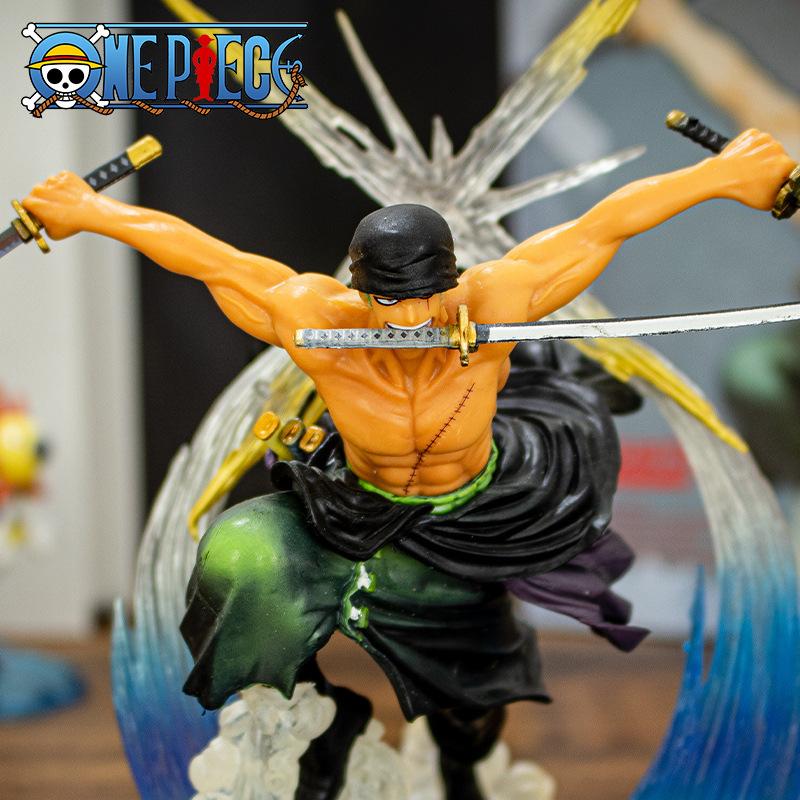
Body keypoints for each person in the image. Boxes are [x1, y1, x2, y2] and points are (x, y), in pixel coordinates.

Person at [22, 128, 795, 800]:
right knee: (243, 558)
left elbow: (606, 223)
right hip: (355, 508)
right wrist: (88, 211)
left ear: (450, 281)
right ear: (360, 293)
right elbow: (208, 259)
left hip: (470, 515)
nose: (410, 318)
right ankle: (320, 721)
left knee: (471, 706)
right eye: (390, 303)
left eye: (427, 297)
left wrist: (724, 175)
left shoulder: (498, 302)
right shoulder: (316, 319)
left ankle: (462, 764)